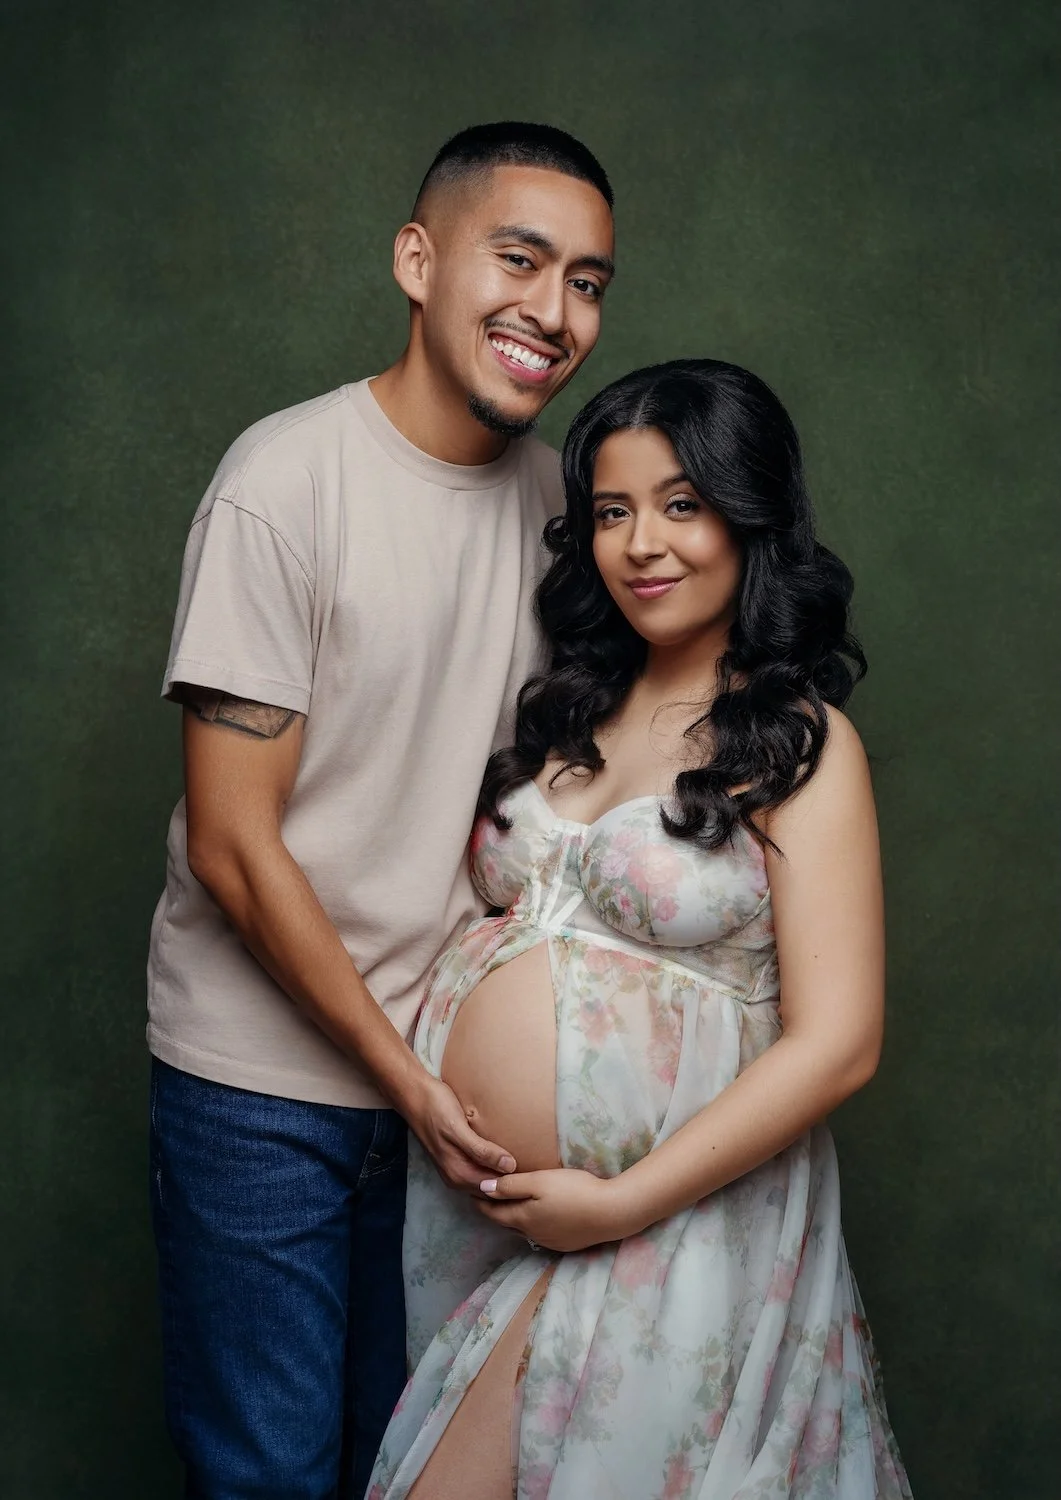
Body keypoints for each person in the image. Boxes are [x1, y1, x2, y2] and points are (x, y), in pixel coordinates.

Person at [146, 121, 615, 1500]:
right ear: (418, 260)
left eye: (587, 280)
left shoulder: (557, 509)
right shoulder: (282, 485)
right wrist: (404, 1079)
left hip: (441, 1098)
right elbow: (234, 847)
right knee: (275, 1477)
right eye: (518, 259)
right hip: (260, 1091)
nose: (552, 310)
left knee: (402, 1471)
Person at [367, 359, 913, 1498]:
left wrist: (618, 1199)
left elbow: (840, 1041)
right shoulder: (562, 701)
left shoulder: (796, 744)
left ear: (748, 517)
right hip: (488, 1227)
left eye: (681, 505)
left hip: (674, 1224)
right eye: (611, 512)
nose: (640, 545)